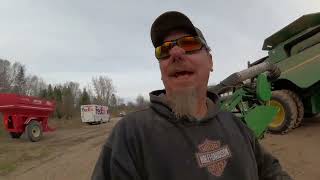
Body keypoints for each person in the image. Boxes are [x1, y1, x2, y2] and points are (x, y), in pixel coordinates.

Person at [92, 11, 292, 180]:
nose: (176, 53)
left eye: (189, 44)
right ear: (161, 69)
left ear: (210, 61)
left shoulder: (237, 126)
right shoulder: (130, 135)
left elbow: (271, 172)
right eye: (164, 49)